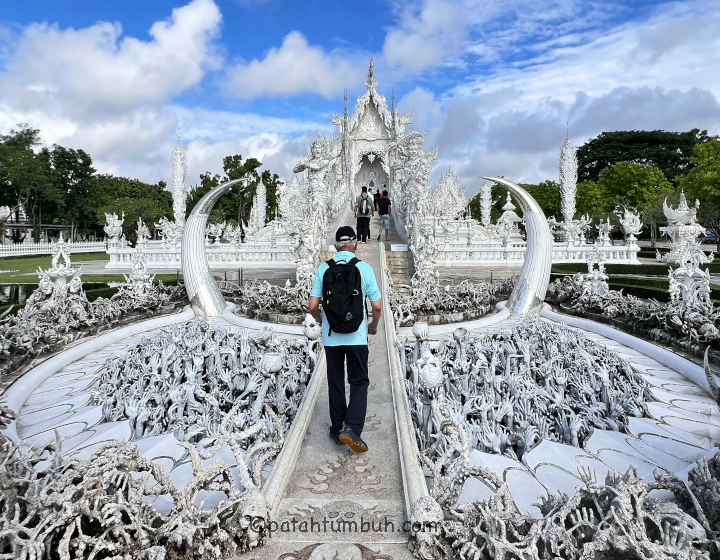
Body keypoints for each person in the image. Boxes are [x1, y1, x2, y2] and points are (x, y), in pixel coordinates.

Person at [308, 226, 382, 453]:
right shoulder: (364, 268)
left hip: (332, 338)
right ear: (355, 244)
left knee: (336, 381)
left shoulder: (323, 269)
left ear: (336, 246)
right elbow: (377, 306)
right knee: (359, 381)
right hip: (357, 336)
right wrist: (373, 325)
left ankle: (336, 428)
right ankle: (351, 427)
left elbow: (312, 306)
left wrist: (323, 321)